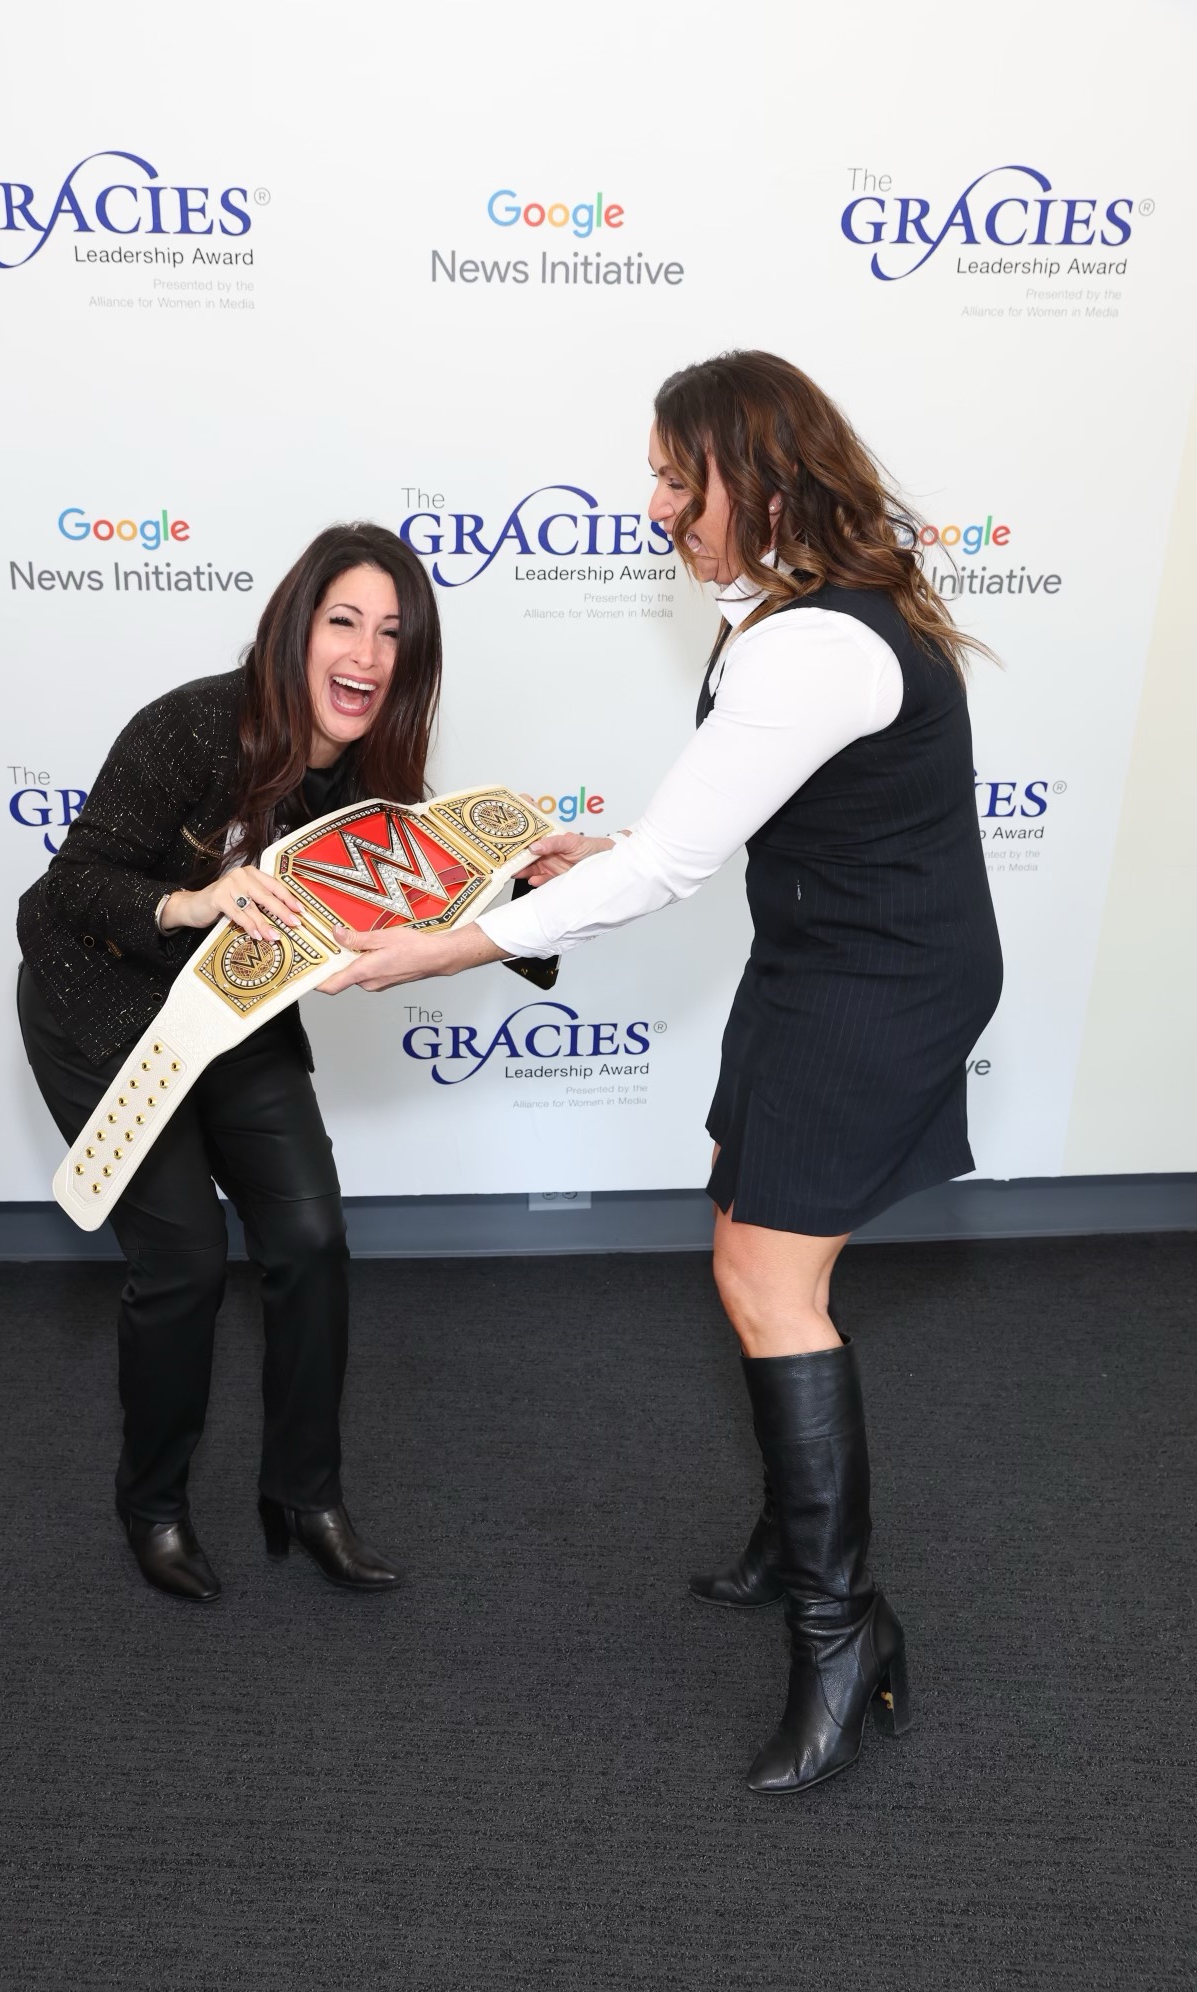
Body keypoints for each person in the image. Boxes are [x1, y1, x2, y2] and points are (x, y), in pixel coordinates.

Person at [319, 353, 1004, 1793]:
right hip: (821, 956)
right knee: (738, 1229)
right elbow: (732, 817)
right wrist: (608, 847)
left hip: (878, 985)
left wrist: (441, 947)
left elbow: (678, 868)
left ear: (762, 484)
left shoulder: (810, 644)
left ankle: (843, 1635)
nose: (655, 508)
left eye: (679, 480)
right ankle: (795, 1540)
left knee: (768, 1282)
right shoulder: (788, 614)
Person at [17, 522, 443, 1603]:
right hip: (102, 1004)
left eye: (393, 633)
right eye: (344, 621)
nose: (366, 654)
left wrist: (528, 895)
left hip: (235, 1011)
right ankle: (153, 1506)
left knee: (310, 1237)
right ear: (297, 629)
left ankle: (305, 1496)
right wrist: (191, 901)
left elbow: (429, 898)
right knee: (186, 1260)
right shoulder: (194, 725)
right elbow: (71, 888)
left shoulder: (377, 775)